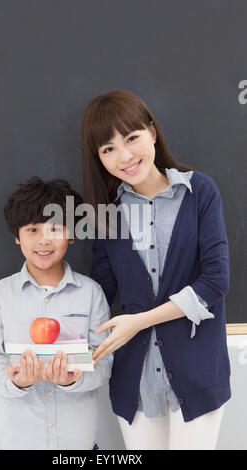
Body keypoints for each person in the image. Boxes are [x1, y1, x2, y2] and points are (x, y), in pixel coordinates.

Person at [81, 90, 231, 450]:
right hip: (134, 379)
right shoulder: (106, 216)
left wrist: (139, 320)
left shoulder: (199, 192)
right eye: (108, 149)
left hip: (197, 374)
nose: (125, 156)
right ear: (99, 158)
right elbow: (98, 292)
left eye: (131, 138)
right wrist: (36, 291)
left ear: (152, 131)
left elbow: (215, 281)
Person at [0, 177, 113, 450]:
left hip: (77, 444)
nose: (44, 240)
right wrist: (16, 381)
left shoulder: (91, 293)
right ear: (17, 236)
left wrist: (73, 379)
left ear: (72, 233)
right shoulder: (0, 294)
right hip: (17, 441)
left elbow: (105, 360)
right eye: (32, 230)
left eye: (55, 228)